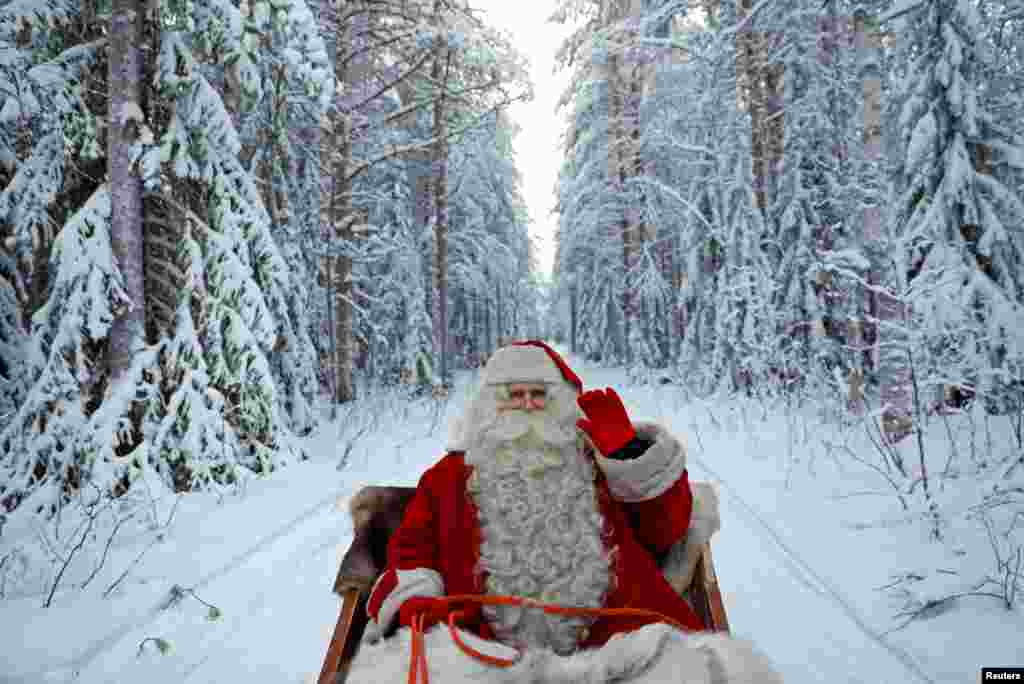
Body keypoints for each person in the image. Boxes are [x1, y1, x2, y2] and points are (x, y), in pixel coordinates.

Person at [345, 340, 783, 683]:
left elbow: (665, 530)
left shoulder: (597, 465)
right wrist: (425, 608)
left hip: (619, 649)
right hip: (483, 655)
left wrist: (629, 454)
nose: (527, 405)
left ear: (561, 403)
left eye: (539, 394)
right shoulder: (445, 478)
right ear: (487, 407)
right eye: (513, 395)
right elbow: (411, 554)